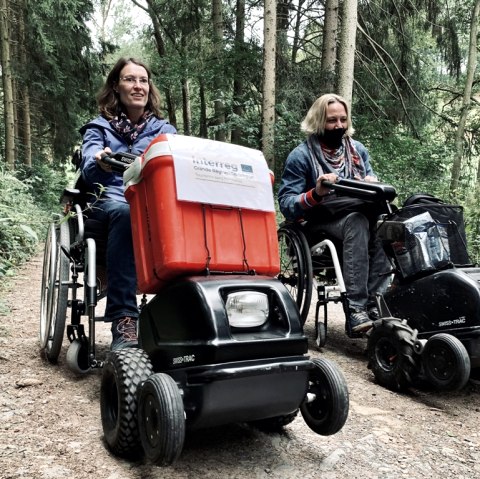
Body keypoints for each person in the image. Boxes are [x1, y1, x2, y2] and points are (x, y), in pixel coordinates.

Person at [79, 57, 177, 350]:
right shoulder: (98, 128)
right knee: (126, 210)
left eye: (143, 80)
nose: (138, 86)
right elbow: (88, 165)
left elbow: (175, 164)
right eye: (130, 79)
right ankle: (124, 321)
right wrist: (100, 161)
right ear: (116, 86)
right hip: (107, 201)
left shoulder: (164, 130)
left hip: (151, 204)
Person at [278, 93, 390, 335]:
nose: (339, 125)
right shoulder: (301, 156)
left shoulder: (358, 150)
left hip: (355, 217)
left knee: (385, 225)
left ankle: (375, 303)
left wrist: (371, 182)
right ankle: (356, 308)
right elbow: (286, 203)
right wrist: (316, 192)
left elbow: (369, 181)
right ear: (318, 122)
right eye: (331, 120)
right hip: (316, 224)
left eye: (343, 119)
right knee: (357, 222)